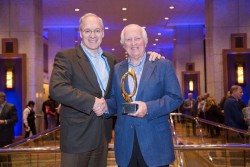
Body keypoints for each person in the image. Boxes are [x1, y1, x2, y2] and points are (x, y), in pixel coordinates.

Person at [49, 13, 162, 167]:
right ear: (81, 33)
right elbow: (57, 88)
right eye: (87, 31)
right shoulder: (66, 57)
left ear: (103, 33)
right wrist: (91, 102)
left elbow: (134, 64)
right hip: (77, 139)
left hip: (103, 137)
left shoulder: (112, 60)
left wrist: (149, 57)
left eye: (97, 30)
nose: (93, 35)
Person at [103, 24, 183, 167]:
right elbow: (116, 101)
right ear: (123, 44)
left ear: (145, 41)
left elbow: (175, 97)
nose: (133, 43)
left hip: (155, 144)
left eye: (137, 38)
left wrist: (148, 108)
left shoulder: (162, 65)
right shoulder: (117, 69)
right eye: (128, 40)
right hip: (126, 145)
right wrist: (103, 106)